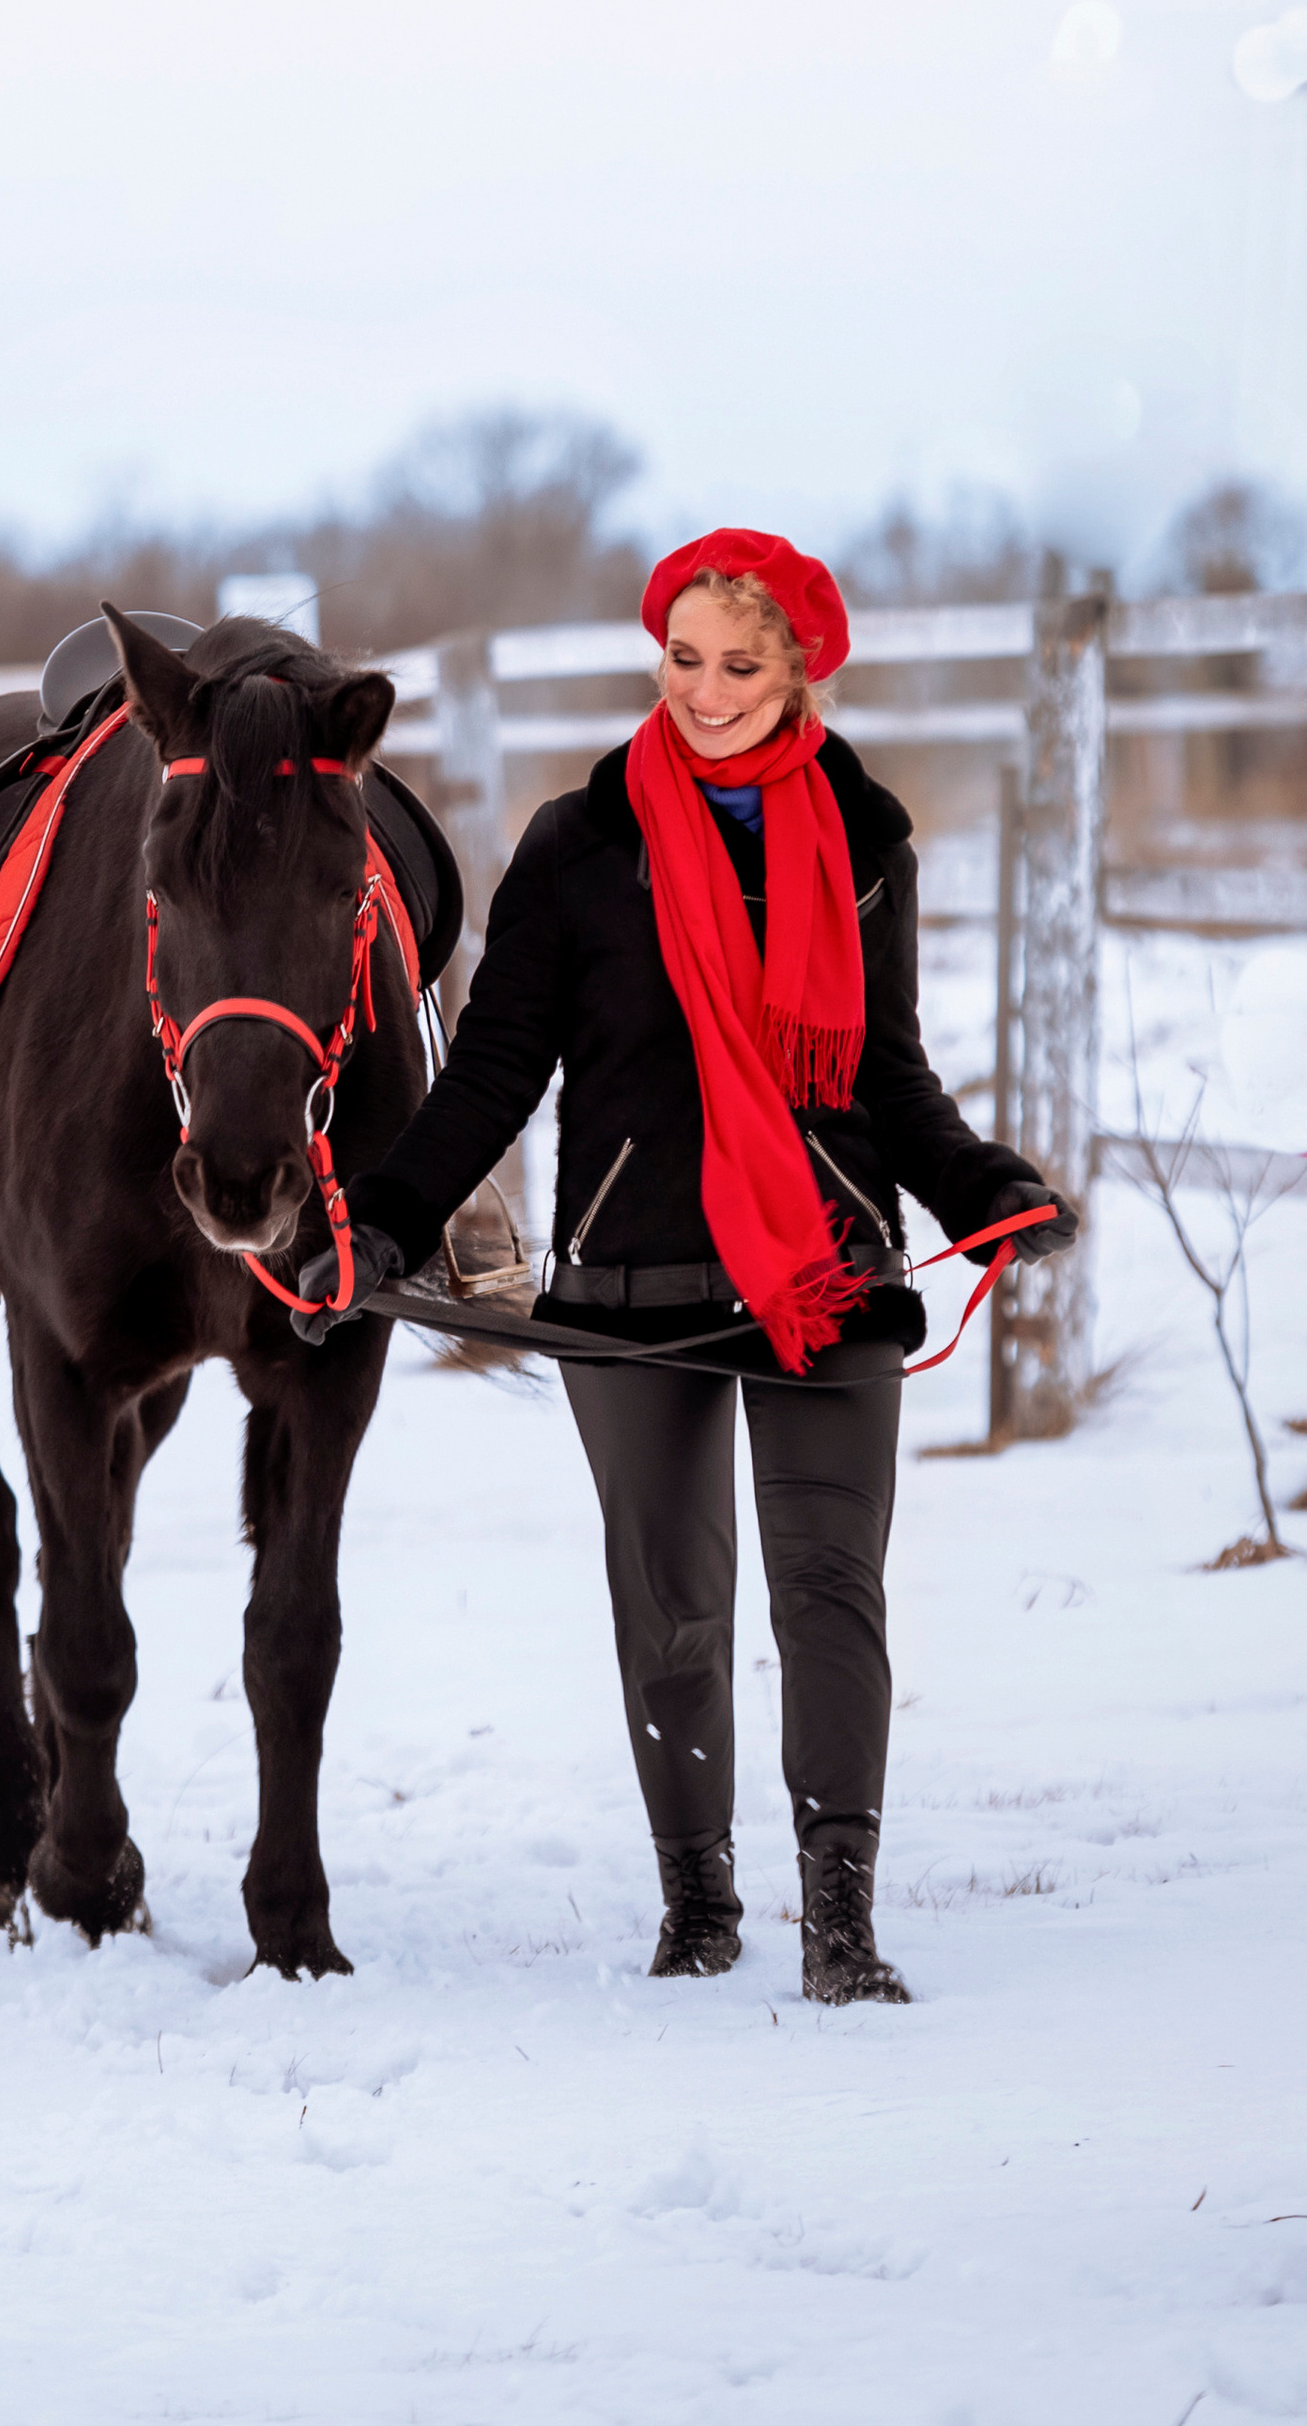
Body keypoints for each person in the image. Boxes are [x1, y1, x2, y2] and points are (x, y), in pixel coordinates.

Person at [296, 527, 1078, 2003]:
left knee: (832, 1589)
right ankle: (699, 1907)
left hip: (824, 1276)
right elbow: (497, 1074)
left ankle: (839, 1925)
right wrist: (385, 1218)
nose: (705, 691)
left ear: (798, 673)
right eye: (683, 658)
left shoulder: (864, 842)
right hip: (633, 1280)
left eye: (741, 663)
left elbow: (891, 1079)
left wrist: (984, 1184)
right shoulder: (580, 847)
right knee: (672, 1608)